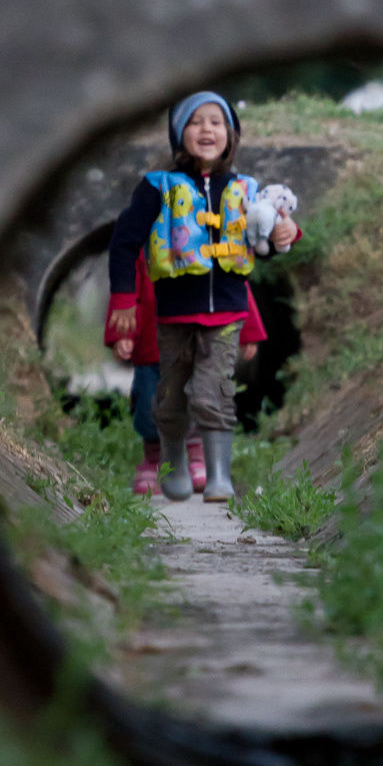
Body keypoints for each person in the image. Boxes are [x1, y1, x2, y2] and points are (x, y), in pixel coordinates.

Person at [105, 91, 298, 503]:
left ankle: (219, 477)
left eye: (216, 122)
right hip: (174, 313)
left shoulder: (247, 190)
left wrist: (287, 234)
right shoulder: (158, 187)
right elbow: (124, 242)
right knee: (170, 395)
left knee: (216, 393)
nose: (206, 130)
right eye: (195, 122)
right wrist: (123, 299)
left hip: (227, 314)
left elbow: (271, 235)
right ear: (179, 135)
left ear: (230, 135)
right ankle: (172, 463)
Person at [109, 248, 268, 495]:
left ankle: (198, 456)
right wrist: (122, 333)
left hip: (197, 341)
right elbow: (126, 293)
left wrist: (248, 331)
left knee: (199, 397)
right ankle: (153, 460)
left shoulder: (209, 240)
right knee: (150, 402)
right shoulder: (142, 247)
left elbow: (232, 287)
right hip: (152, 348)